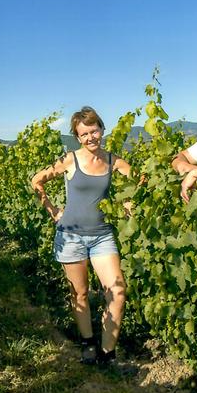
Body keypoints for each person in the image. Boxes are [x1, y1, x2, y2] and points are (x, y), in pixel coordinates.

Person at [31, 107, 133, 366]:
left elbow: (139, 180)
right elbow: (37, 181)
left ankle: (107, 355)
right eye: (84, 134)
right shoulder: (69, 160)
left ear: (102, 130)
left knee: (118, 293)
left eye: (94, 131)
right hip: (71, 236)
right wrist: (53, 211)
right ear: (77, 137)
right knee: (80, 294)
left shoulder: (113, 161)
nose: (90, 137)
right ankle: (87, 343)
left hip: (102, 236)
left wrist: (128, 202)